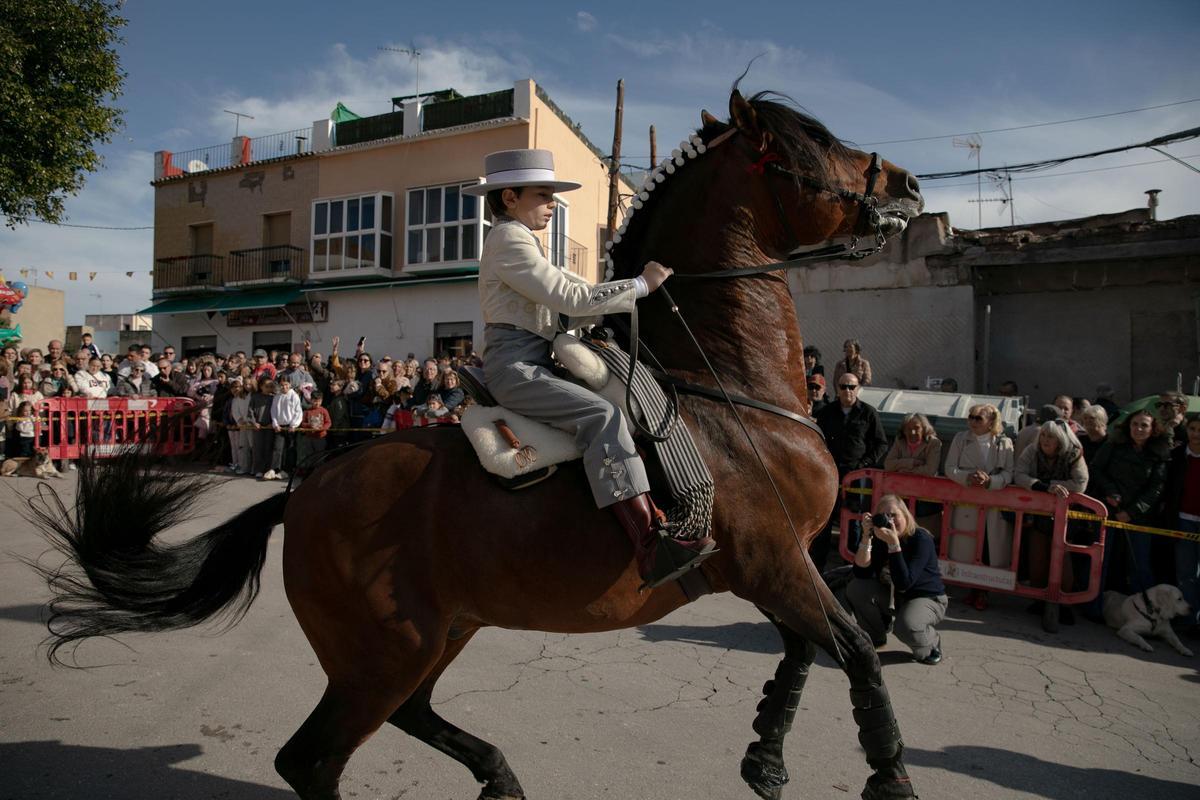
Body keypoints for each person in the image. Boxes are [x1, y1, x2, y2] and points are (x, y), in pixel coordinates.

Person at [468, 147, 714, 587]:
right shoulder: (509, 239)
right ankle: (649, 544)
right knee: (602, 415)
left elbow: (569, 304)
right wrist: (640, 285)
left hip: (534, 357)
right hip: (517, 366)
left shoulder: (521, 241)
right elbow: (570, 297)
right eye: (543, 195)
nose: (551, 204)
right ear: (509, 197)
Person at [849, 494, 947, 664]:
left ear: (906, 515)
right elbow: (861, 573)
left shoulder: (920, 539)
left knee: (906, 626)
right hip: (896, 597)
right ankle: (875, 635)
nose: (890, 521)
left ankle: (931, 643)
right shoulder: (880, 537)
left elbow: (904, 583)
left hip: (926, 599)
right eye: (884, 516)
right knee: (857, 588)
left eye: (894, 515)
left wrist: (894, 544)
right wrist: (867, 536)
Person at [1013, 420, 1089, 632]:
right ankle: (1039, 598)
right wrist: (1043, 487)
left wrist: (1058, 487)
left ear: (1061, 440)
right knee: (1037, 554)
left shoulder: (1074, 454)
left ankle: (1063, 604)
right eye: (1044, 435)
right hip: (1039, 513)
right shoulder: (1032, 450)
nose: (1046, 440)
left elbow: (1080, 483)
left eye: (1051, 437)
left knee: (1062, 559)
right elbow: (1019, 474)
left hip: (1066, 515)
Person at [1090, 409, 1171, 594]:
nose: (1139, 429)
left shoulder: (1159, 453)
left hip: (1140, 517)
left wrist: (1132, 512)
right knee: (1101, 561)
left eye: (1144, 425)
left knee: (1140, 565)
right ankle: (1093, 605)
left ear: (1153, 429)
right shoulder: (1113, 445)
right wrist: (1110, 491)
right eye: (1135, 424)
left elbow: (1157, 488)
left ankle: (1144, 608)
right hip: (1109, 510)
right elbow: (1095, 469)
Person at [814, 373, 888, 568]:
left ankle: (853, 568)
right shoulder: (827, 412)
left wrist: (863, 465)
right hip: (829, 475)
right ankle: (818, 569)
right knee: (824, 522)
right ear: (837, 388)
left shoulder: (868, 413)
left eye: (852, 386)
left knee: (854, 523)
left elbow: (881, 444)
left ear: (858, 389)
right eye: (843, 386)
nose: (847, 390)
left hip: (856, 479)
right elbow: (816, 439)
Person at [945, 403, 1014, 610]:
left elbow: (1009, 473)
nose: (973, 422)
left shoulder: (1005, 443)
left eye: (978, 418)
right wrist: (969, 477)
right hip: (967, 502)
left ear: (991, 421)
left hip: (993, 504)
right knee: (966, 545)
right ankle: (969, 588)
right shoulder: (960, 438)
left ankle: (982, 592)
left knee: (987, 547)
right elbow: (949, 468)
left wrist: (990, 481)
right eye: (971, 417)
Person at [1163, 413, 1200, 635]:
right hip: (1183, 520)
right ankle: (1189, 620)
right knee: (1186, 573)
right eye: (1193, 429)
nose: (1196, 434)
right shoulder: (1177, 456)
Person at [265, 377, 302, 481]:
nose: (284, 387)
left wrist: (293, 425)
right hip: (279, 427)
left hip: (290, 427)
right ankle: (274, 469)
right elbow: (274, 411)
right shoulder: (277, 396)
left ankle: (286, 471)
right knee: (277, 448)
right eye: (282, 385)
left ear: (290, 384)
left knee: (289, 449)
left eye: (286, 385)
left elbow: (298, 412)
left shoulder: (294, 396)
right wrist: (275, 424)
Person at [884, 413, 941, 477]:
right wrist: (912, 462)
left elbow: (930, 471)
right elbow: (888, 465)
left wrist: (904, 470)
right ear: (904, 431)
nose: (912, 432)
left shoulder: (934, 443)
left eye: (916, 428)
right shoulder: (900, 440)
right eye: (908, 428)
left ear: (924, 429)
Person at [296, 390, 332, 470]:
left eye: (319, 401)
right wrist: (310, 426)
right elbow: (302, 423)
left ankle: (319, 470)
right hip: (309, 437)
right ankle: (310, 471)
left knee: (320, 455)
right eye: (315, 401)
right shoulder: (307, 412)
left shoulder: (324, 411)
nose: (317, 403)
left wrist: (321, 428)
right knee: (309, 455)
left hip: (320, 437)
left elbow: (328, 422)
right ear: (311, 400)